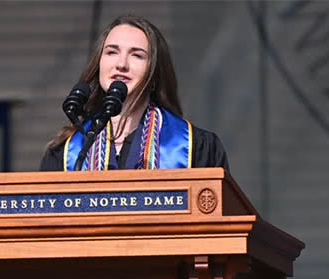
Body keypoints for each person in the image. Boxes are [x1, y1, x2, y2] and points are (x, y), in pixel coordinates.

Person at [40, 14, 230, 172]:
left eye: (137, 55)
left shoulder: (197, 147)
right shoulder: (66, 152)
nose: (121, 64)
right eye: (111, 52)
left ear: (155, 74)